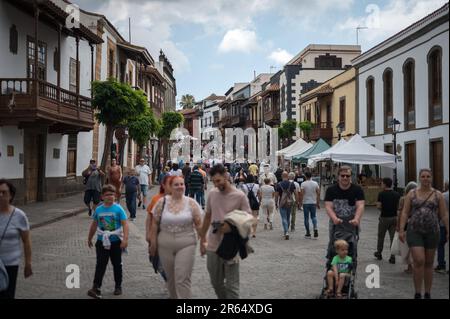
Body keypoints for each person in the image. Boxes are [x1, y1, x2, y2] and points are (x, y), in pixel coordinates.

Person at [199, 164, 252, 299]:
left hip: (231, 246)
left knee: (232, 287)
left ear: (226, 176)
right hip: (213, 245)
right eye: (214, 181)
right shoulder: (212, 194)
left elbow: (248, 219)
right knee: (216, 283)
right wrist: (202, 239)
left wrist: (231, 226)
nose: (216, 185)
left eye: (218, 181)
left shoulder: (239, 196)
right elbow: (207, 217)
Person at [399, 169, 449, 299]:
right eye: (423, 176)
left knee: (429, 262)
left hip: (432, 232)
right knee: (419, 260)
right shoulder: (411, 193)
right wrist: (401, 229)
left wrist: (448, 229)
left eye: (428, 176)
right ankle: (417, 292)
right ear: (419, 178)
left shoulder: (438, 195)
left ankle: (427, 292)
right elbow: (405, 212)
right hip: (414, 231)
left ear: (431, 178)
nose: (425, 178)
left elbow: (444, 214)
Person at [150, 176, 203, 299]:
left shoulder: (191, 203)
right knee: (171, 278)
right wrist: (153, 242)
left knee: (182, 277)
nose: (180, 186)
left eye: (182, 184)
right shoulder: (161, 202)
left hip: (187, 242)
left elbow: (199, 223)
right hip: (165, 243)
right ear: (170, 187)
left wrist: (203, 241)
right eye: (176, 184)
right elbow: (154, 223)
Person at [87, 184, 129, 299]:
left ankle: (118, 286)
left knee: (117, 264)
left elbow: (125, 224)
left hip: (116, 242)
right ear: (102, 197)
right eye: (107, 195)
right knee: (100, 264)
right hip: (101, 242)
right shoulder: (99, 210)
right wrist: (90, 237)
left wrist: (125, 239)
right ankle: (96, 287)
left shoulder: (118, 209)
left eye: (112, 194)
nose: (110, 197)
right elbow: (94, 224)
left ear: (115, 196)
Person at [0, 179, 32, 299]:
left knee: (7, 294)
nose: (1, 195)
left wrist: (28, 263)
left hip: (10, 265)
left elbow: (26, 241)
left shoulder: (19, 216)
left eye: (4, 192)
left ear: (11, 195)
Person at [324, 166, 365, 243]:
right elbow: (328, 206)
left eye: (347, 176)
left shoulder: (358, 189)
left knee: (352, 249)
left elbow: (360, 205)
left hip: (352, 224)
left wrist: (357, 218)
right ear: (338, 177)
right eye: (342, 175)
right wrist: (334, 218)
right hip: (336, 225)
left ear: (351, 177)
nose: (345, 178)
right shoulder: (331, 190)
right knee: (335, 248)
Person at [374, 177, 401, 264]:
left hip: (384, 217)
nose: (381, 184)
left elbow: (378, 206)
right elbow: (398, 207)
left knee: (381, 236)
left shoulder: (381, 194)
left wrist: (382, 209)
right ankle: (392, 256)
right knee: (393, 238)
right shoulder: (397, 194)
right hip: (394, 218)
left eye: (382, 183)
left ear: (385, 184)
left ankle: (379, 253)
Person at [396, 181, 418, 274]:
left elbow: (400, 213)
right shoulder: (419, 198)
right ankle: (415, 265)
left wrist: (398, 225)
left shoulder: (403, 199)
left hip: (405, 224)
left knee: (407, 246)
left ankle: (410, 266)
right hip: (416, 223)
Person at [275, 172, 297, 240]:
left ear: (282, 176)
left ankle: (286, 232)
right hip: (290, 202)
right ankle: (286, 231)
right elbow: (295, 193)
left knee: (283, 218)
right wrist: (297, 201)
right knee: (288, 217)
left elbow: (276, 195)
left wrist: (276, 203)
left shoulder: (279, 184)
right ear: (287, 176)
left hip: (282, 202)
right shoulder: (291, 184)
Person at [300, 171, 321, 239]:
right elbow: (318, 193)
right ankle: (315, 227)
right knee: (313, 216)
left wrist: (300, 203)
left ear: (305, 176)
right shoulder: (315, 183)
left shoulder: (303, 184)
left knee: (306, 218)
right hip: (313, 202)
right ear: (311, 176)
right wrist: (318, 202)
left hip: (306, 202)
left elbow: (302, 194)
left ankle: (308, 233)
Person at [435, 180, 448, 273]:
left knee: (440, 244)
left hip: (443, 224)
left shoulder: (443, 196)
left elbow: (439, 211)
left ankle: (441, 265)